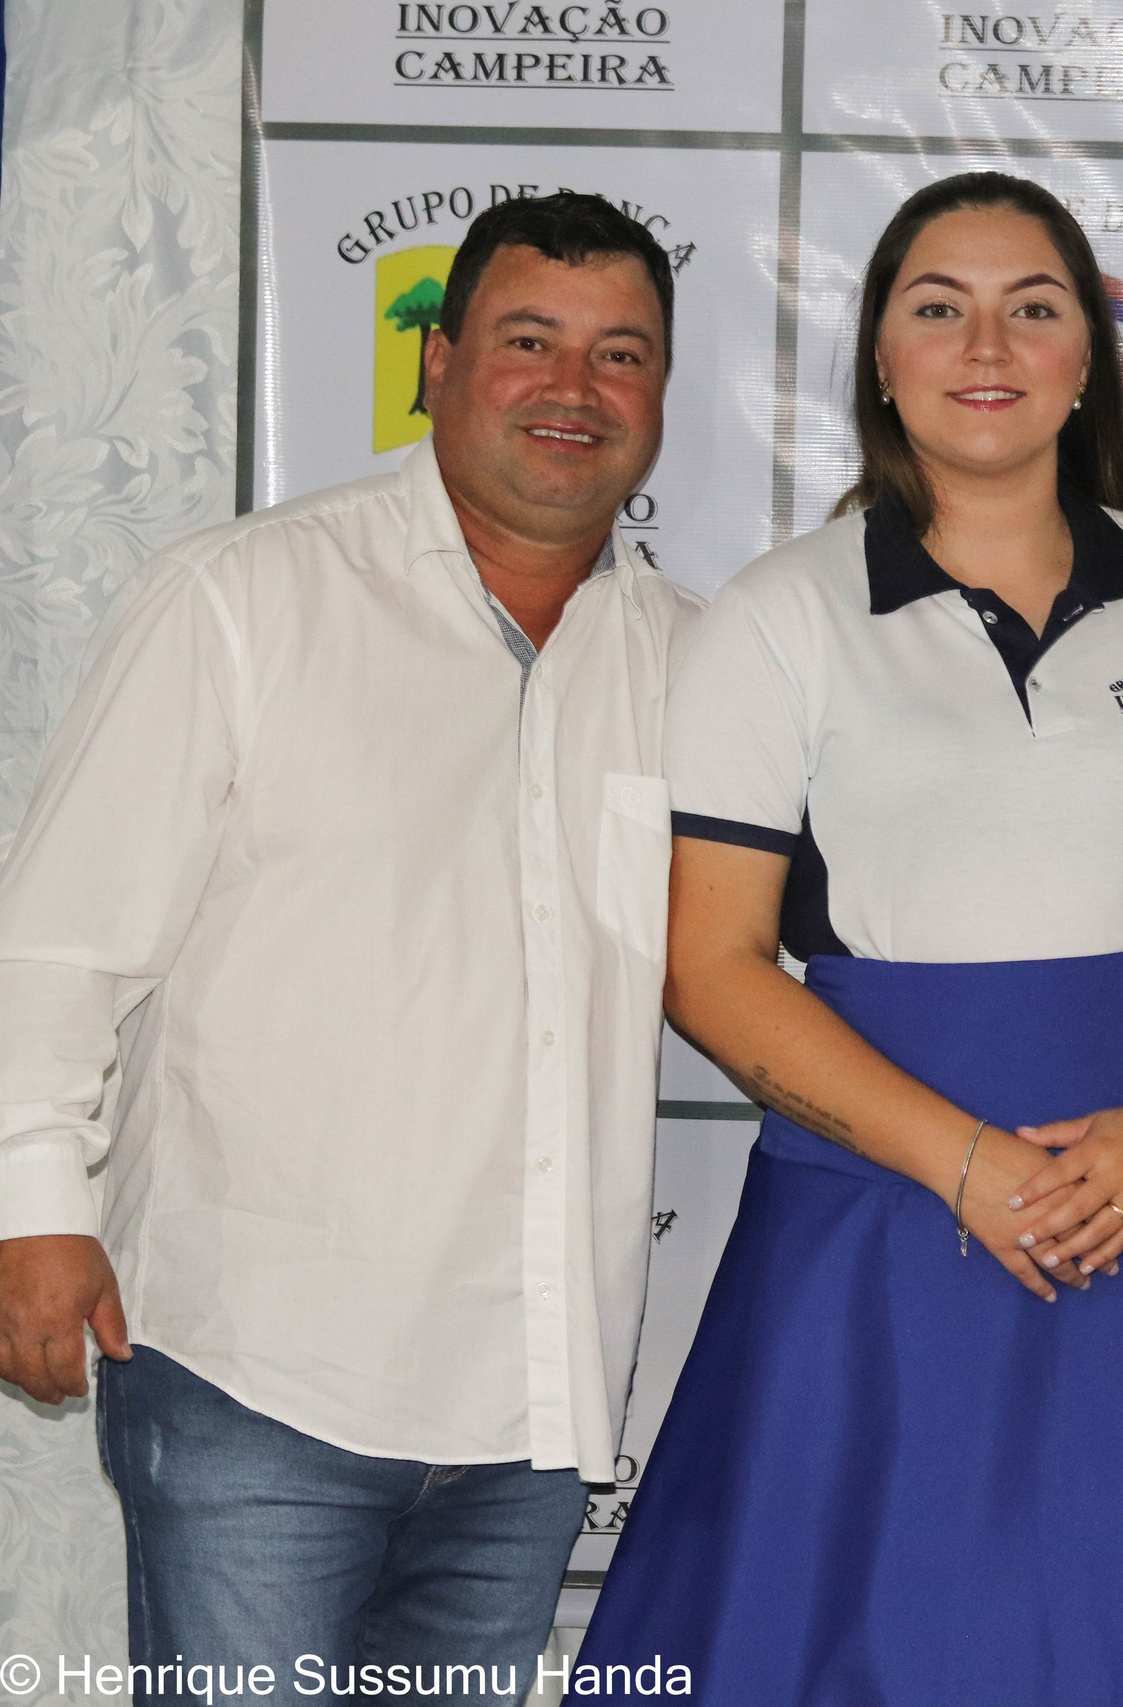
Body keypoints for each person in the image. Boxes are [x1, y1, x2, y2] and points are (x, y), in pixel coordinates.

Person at [572, 171, 1123, 1706]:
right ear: (878, 355)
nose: (984, 341)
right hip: (878, 1234)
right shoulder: (778, 619)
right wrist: (968, 1165)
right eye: (938, 306)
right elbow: (712, 965)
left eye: (1033, 307)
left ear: (1084, 362)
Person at [0, 192, 695, 1703]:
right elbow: (56, 947)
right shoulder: (240, 600)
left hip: (531, 1410)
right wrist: (34, 1208)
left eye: (620, 355)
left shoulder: (693, 663)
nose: (574, 389)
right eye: (529, 341)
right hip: (258, 1372)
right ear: (436, 365)